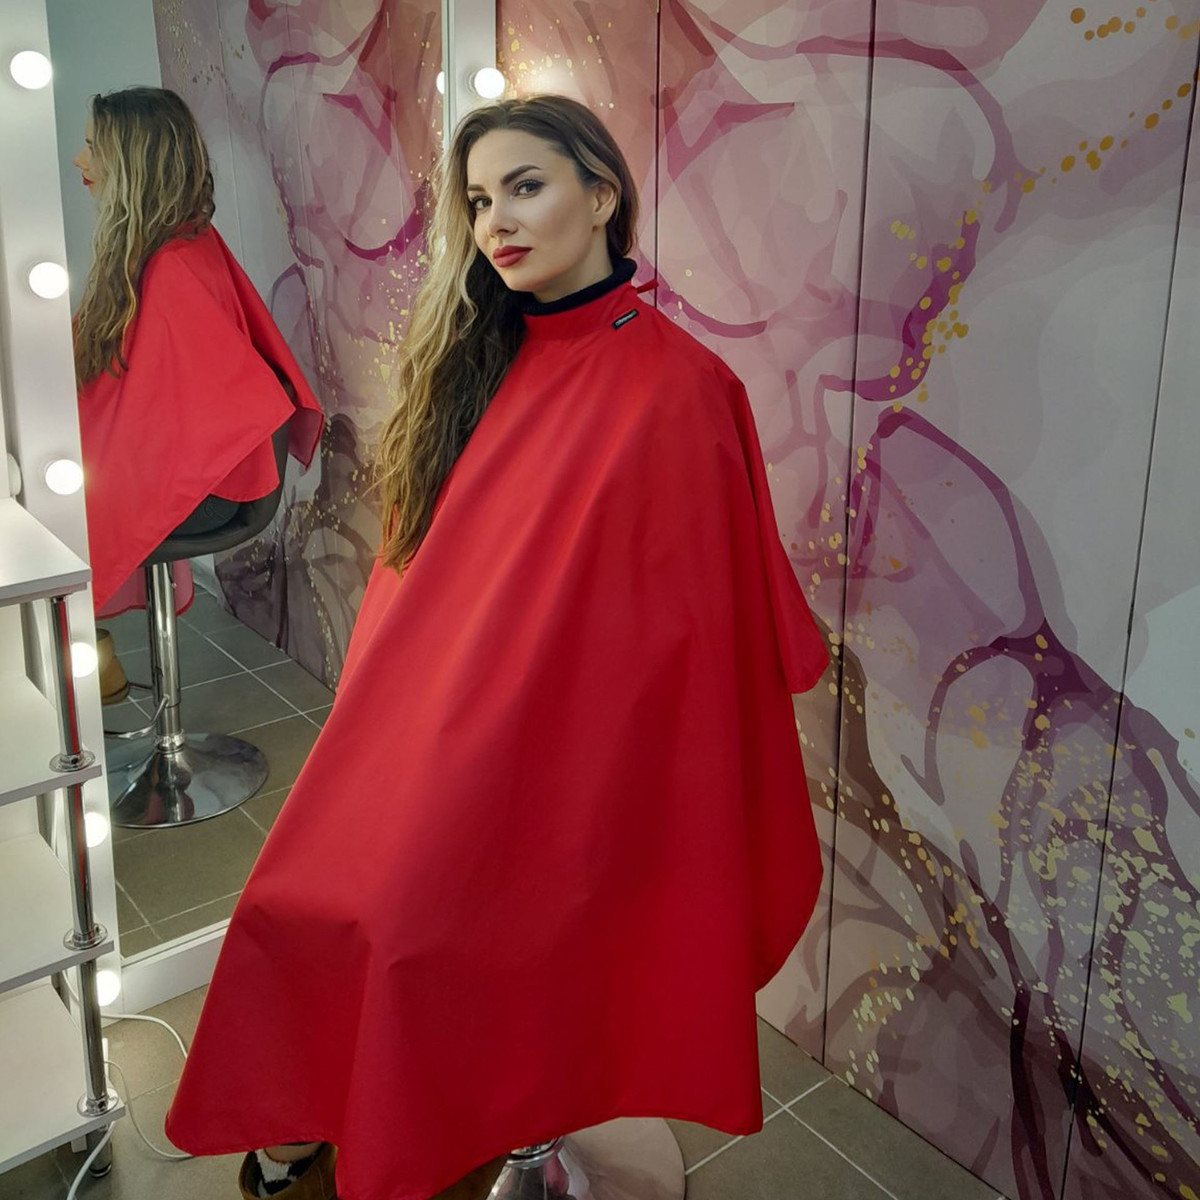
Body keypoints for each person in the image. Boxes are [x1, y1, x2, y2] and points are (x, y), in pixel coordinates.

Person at [163, 94, 829, 1200]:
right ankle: (314, 1108)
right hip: (436, 709)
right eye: (478, 201)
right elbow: (416, 582)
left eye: (526, 187)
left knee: (430, 926)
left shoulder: (681, 389)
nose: (497, 223)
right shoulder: (473, 362)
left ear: (602, 195)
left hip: (576, 750)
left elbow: (690, 628)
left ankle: (428, 1120)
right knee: (309, 899)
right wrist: (392, 712)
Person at [71, 87, 324, 701]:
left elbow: (186, 408)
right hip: (209, 473)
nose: (80, 161)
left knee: (49, 519)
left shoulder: (171, 268)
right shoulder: (182, 245)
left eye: (92, 147)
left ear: (131, 162)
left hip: (213, 491)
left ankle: (84, 651)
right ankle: (90, 650)